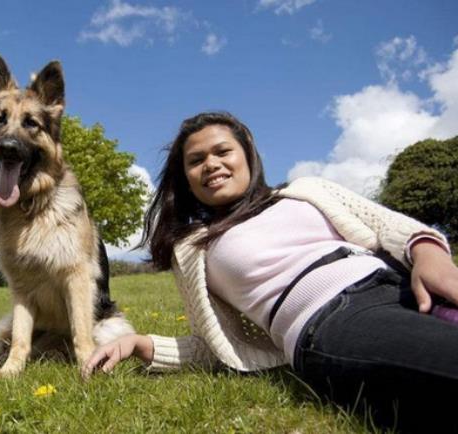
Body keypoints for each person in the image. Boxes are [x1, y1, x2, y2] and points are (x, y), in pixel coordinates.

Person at [82, 111, 458, 431]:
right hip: (332, 319)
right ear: (186, 179)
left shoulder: (307, 190)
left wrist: (430, 255)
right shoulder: (195, 249)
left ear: (247, 154)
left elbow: (389, 226)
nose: (210, 164)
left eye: (222, 151)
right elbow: (212, 346)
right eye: (196, 161)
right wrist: (139, 344)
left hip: (403, 283)